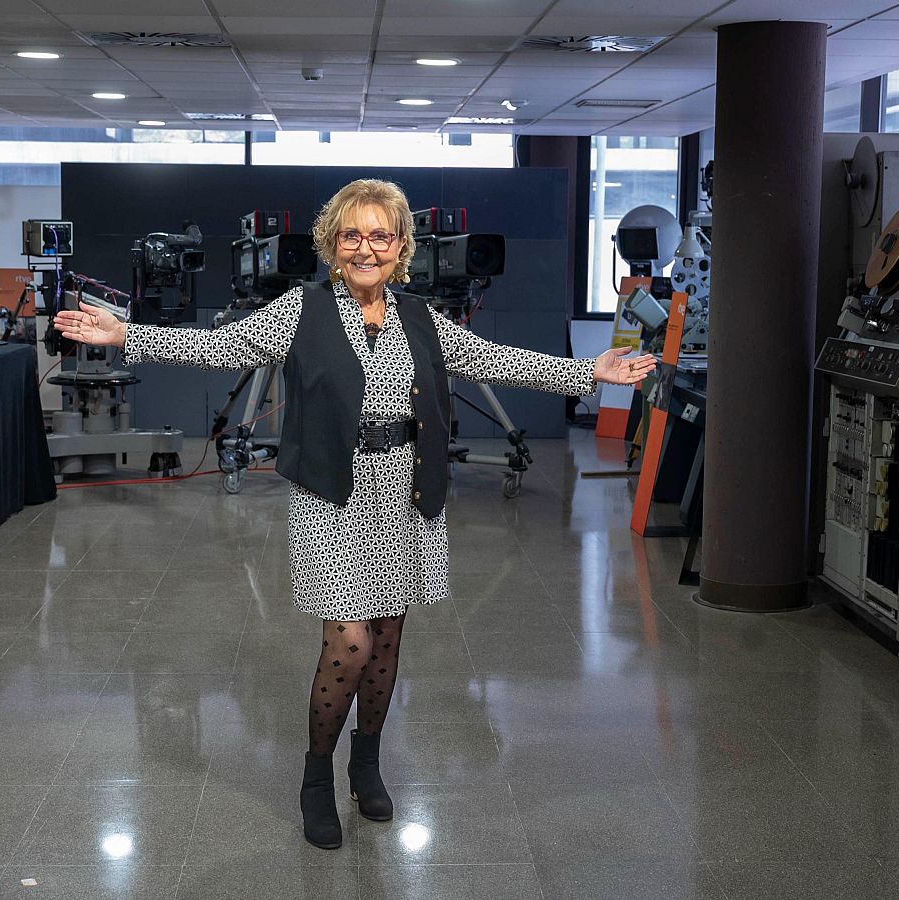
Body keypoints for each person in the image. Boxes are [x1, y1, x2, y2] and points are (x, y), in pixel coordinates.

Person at [55, 178, 656, 849]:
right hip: (332, 492)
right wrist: (125, 334)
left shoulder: (421, 318)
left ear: (401, 246)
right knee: (350, 640)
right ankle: (317, 776)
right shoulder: (299, 311)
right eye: (352, 234)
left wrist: (589, 373)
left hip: (406, 488)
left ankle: (365, 764)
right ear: (333, 245)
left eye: (380, 234)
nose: (366, 247)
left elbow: (496, 360)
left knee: (388, 637)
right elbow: (216, 347)